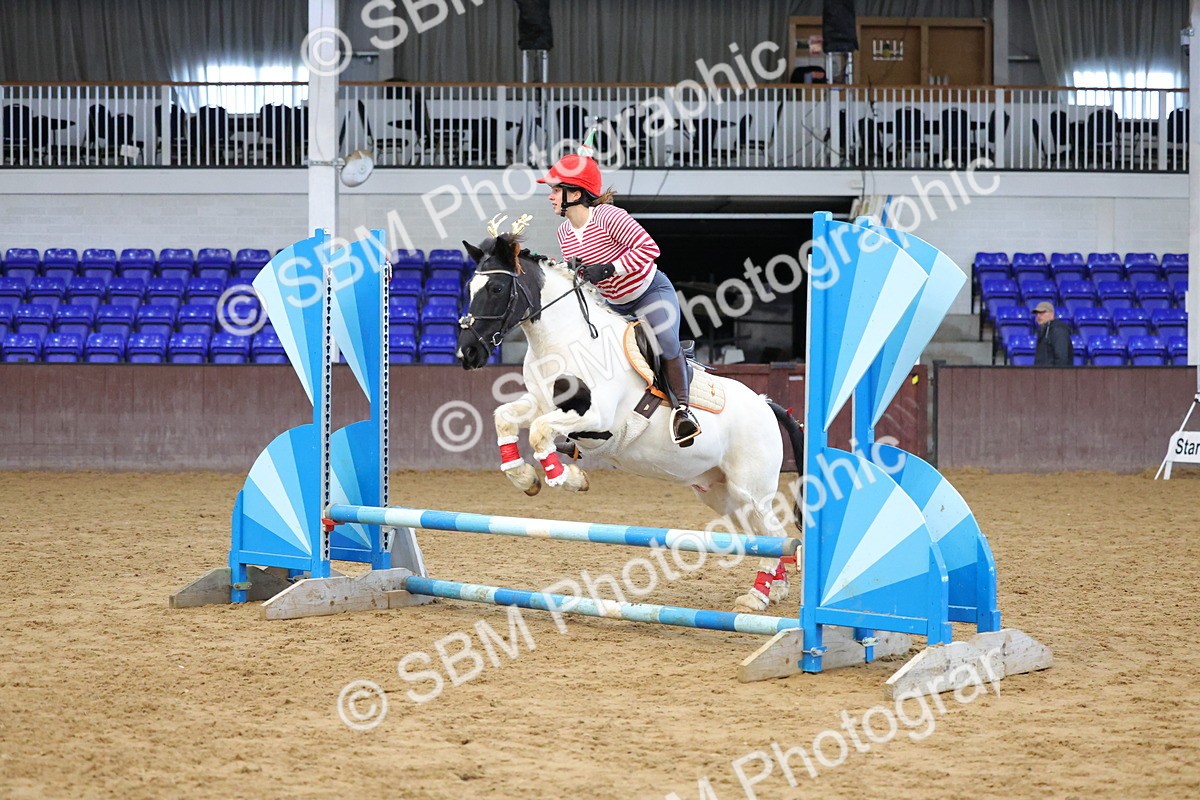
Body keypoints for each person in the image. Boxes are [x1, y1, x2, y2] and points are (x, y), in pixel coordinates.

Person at [537, 153, 701, 446]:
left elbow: (649, 249)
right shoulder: (564, 233)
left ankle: (683, 413)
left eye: (555, 190)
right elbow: (578, 274)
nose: (550, 197)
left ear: (575, 193)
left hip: (650, 293)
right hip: (613, 304)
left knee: (664, 343)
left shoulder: (609, 217)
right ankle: (581, 424)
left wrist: (611, 267)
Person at [1032, 301, 1074, 366]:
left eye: (1042, 312)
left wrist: (1055, 375)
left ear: (1052, 314)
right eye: (1037, 313)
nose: (1038, 316)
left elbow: (1061, 358)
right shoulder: (1043, 331)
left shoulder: (1058, 330)